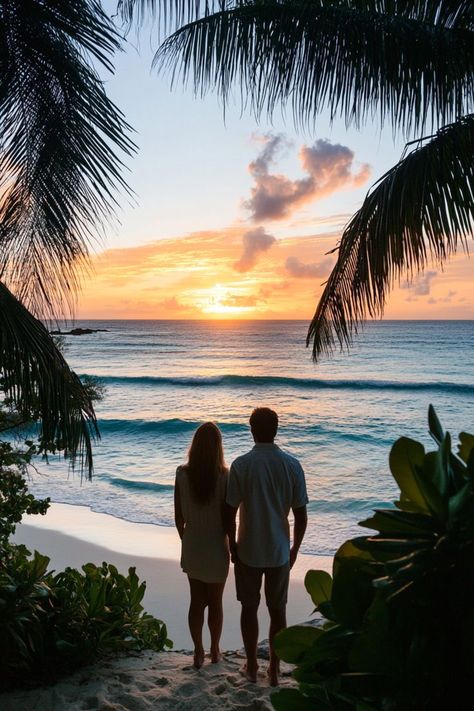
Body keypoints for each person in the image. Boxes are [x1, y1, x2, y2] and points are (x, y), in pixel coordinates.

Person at [225, 407, 308, 686]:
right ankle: (273, 668)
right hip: (278, 549)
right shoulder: (292, 465)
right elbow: (301, 515)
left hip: (248, 548)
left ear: (251, 429)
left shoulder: (241, 465)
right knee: (278, 611)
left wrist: (232, 544)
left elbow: (230, 511)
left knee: (249, 608)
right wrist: (294, 549)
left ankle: (250, 665)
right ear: (276, 430)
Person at [174, 422, 230, 669]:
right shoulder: (225, 476)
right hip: (217, 543)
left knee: (196, 600)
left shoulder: (181, 473)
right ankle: (215, 650)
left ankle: (198, 651)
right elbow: (230, 519)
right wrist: (234, 544)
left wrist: (185, 538)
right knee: (215, 602)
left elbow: (178, 516)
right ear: (218, 447)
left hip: (193, 542)